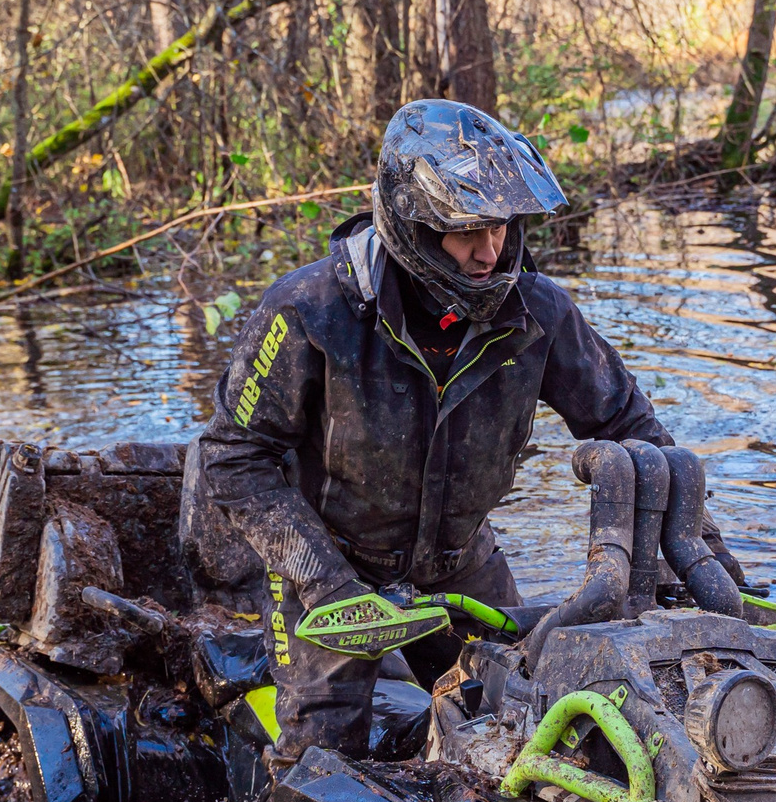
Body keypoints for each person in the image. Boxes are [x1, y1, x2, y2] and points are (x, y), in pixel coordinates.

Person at [197, 99, 676, 766]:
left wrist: (694, 549)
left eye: (500, 227)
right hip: (331, 565)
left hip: (459, 559)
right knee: (322, 764)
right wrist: (322, 577)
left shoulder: (537, 311)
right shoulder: (309, 310)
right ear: (417, 227)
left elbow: (632, 427)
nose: (490, 251)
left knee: (529, 722)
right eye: (468, 232)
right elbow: (231, 458)